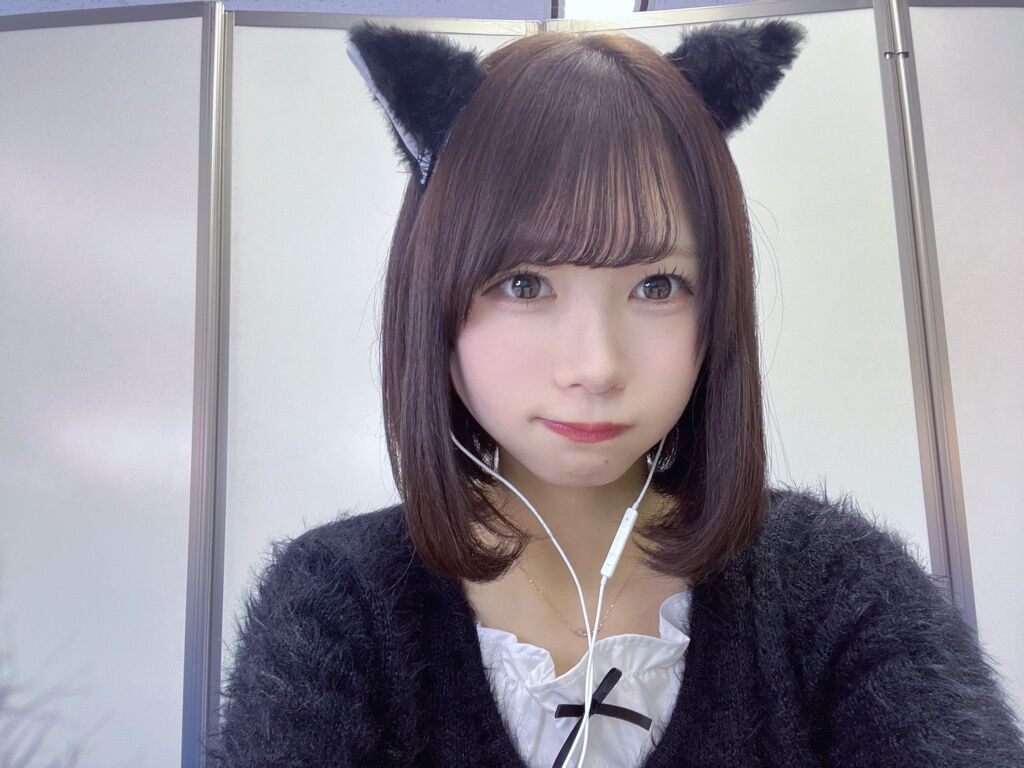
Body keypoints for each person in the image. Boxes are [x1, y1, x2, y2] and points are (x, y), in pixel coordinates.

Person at [204, 18, 1024, 768]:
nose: (595, 366)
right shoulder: (337, 605)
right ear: (435, 302)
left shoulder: (837, 590)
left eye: (657, 285)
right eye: (524, 284)